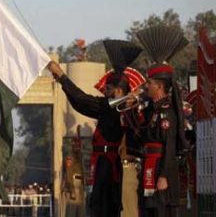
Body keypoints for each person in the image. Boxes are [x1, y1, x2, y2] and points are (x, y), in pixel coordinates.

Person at [48, 39, 144, 217]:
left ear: (117, 91)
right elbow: (81, 102)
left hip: (109, 164)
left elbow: (81, 99)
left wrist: (61, 75)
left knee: (104, 206)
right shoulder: (113, 107)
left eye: (108, 89)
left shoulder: (117, 108)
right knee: (102, 205)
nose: (104, 92)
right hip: (104, 162)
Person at [135, 26, 190, 217]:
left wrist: (164, 175)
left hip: (160, 170)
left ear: (158, 86)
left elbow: (169, 146)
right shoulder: (152, 109)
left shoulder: (167, 113)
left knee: (160, 212)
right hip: (149, 166)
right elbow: (141, 133)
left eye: (149, 83)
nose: (146, 86)